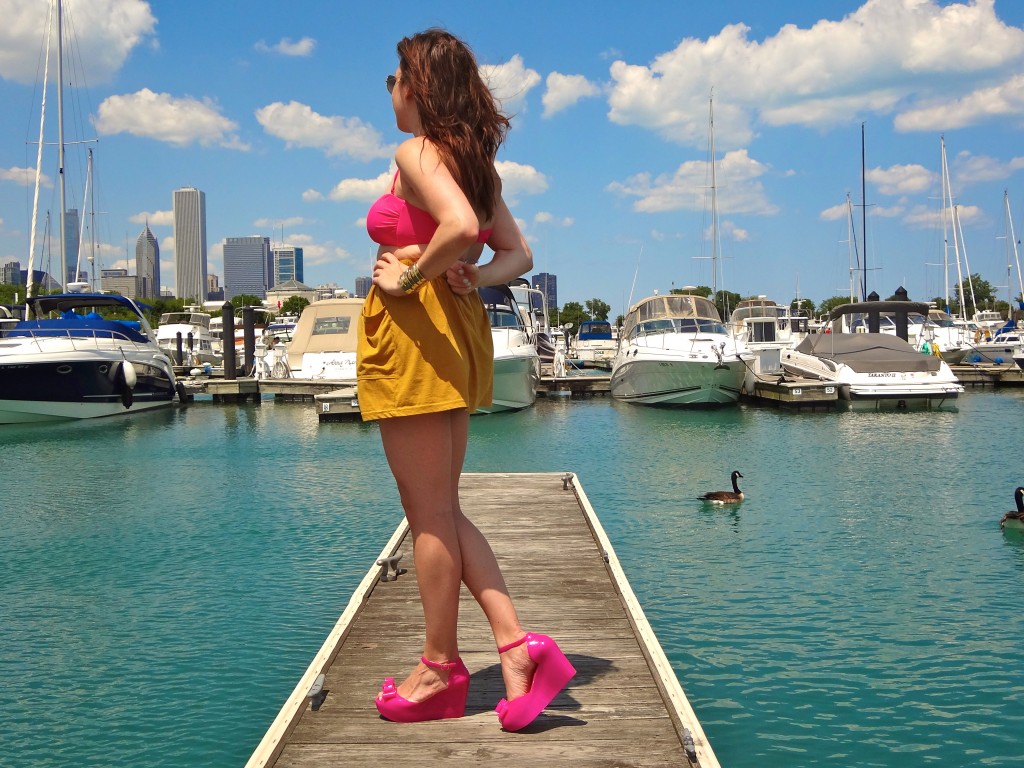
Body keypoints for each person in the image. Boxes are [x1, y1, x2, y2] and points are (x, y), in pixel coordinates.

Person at [357, 28, 575, 730]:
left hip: (418, 332)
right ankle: (516, 649)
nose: (389, 91)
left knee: (427, 512)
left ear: (416, 86)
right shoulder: (474, 165)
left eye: (394, 79)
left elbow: (452, 224)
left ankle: (439, 669)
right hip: (454, 330)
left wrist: (411, 273)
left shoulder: (416, 152)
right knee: (441, 507)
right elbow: (517, 252)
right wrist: (472, 273)